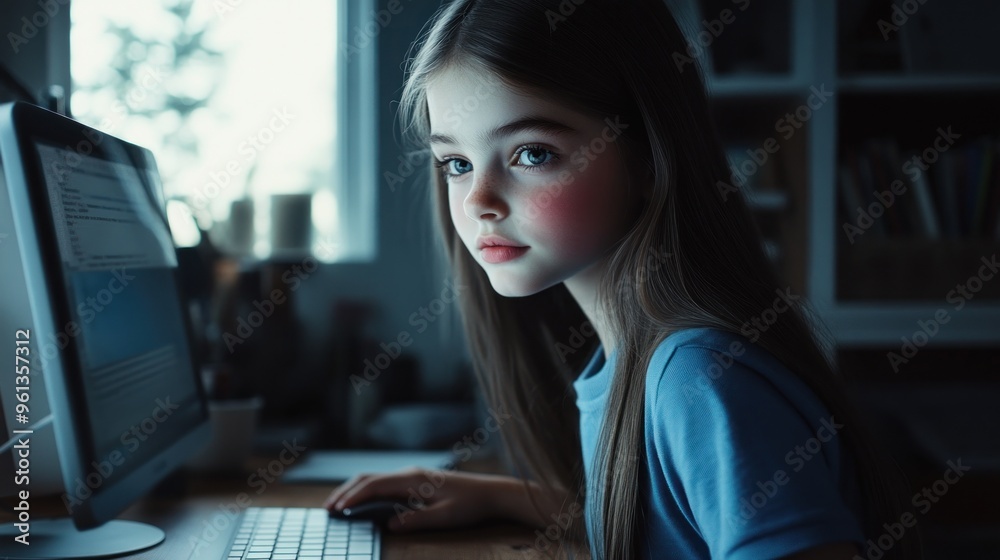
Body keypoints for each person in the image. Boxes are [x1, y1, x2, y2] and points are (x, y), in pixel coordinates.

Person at [325, 0, 920, 558]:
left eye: (532, 153)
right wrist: (504, 494)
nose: (479, 199)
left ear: (648, 160)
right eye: (456, 163)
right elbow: (668, 528)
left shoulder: (700, 380)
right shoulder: (632, 363)